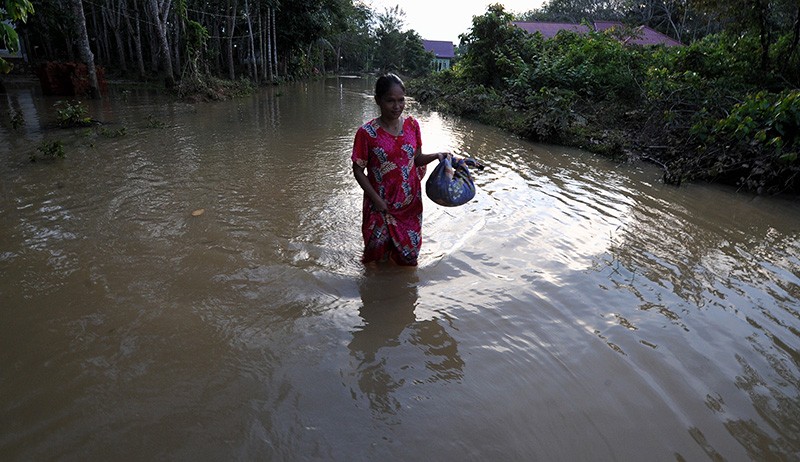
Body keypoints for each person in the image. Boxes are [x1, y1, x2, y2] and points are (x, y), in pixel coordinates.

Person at [352, 73, 448, 266]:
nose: (397, 107)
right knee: (375, 260)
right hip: (379, 205)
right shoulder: (367, 133)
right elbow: (357, 170)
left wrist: (437, 156)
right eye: (390, 101)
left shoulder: (412, 125)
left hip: (409, 204)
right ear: (378, 100)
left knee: (408, 260)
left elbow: (417, 159)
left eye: (401, 100)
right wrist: (376, 200)